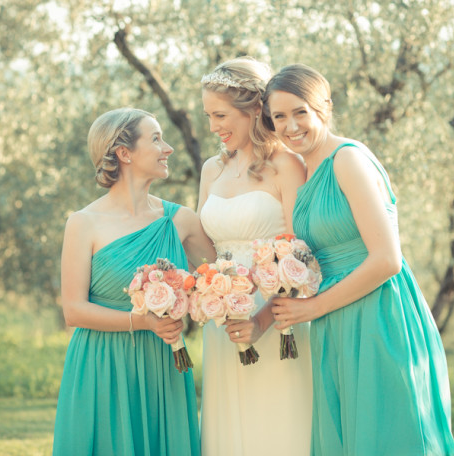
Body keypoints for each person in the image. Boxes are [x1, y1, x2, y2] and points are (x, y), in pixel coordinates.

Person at [265, 64, 454, 456]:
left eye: (300, 111)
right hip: (336, 322)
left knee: (390, 436)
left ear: (325, 107)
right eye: (279, 117)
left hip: (378, 314)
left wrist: (313, 307)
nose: (290, 126)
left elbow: (387, 259)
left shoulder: (347, 159)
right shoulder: (306, 169)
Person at [52, 108, 215, 456]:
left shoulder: (181, 220)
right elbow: (74, 311)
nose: (168, 148)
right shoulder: (84, 223)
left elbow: (219, 277)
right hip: (102, 364)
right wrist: (141, 321)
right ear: (124, 153)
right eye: (156, 139)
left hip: (164, 364)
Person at [197, 57, 313, 456]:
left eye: (220, 115)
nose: (213, 126)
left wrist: (262, 320)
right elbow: (206, 252)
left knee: (278, 427)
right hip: (224, 322)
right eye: (208, 116)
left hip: (278, 318)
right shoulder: (211, 169)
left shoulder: (286, 164)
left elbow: (304, 258)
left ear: (252, 109)